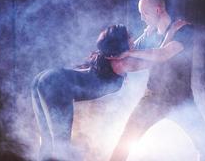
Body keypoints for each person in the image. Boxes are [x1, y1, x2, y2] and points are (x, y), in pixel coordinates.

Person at [109, 0, 205, 161]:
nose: (142, 18)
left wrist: (130, 51)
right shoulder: (150, 35)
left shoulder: (183, 29)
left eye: (145, 13)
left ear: (158, 10)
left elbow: (163, 54)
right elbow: (132, 60)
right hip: (153, 99)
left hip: (181, 99)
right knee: (124, 144)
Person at [31, 24, 151, 161]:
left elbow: (136, 46)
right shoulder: (120, 62)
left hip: (47, 78)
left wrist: (148, 32)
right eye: (129, 37)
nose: (133, 39)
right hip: (57, 84)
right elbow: (157, 59)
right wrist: (170, 34)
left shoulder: (107, 56)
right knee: (61, 143)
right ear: (121, 43)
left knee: (48, 141)